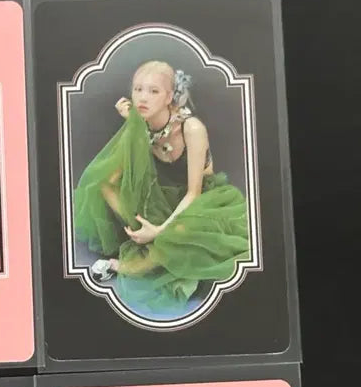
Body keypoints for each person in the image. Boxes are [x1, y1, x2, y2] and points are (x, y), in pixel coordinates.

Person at [74, 60, 249, 317]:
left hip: (201, 201)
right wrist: (133, 125)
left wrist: (160, 230)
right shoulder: (140, 122)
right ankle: (147, 235)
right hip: (164, 196)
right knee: (104, 185)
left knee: (180, 230)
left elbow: (194, 193)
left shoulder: (192, 128)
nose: (143, 97)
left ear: (169, 97)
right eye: (138, 89)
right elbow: (111, 178)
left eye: (153, 91)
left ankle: (125, 265)